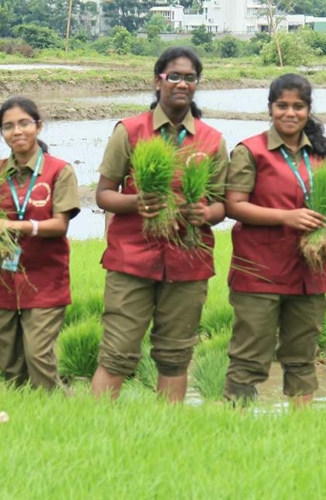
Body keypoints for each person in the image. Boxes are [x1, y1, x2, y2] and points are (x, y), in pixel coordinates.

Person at [90, 47, 229, 403]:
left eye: (190, 77)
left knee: (175, 355)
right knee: (117, 352)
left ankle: (166, 433)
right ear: (158, 81)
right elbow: (104, 194)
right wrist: (136, 202)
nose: (182, 83)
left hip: (188, 262)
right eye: (174, 76)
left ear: (197, 84)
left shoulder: (211, 140)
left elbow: (223, 203)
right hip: (131, 258)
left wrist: (206, 214)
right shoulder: (130, 131)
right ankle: (92, 428)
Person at [222, 74, 326, 407]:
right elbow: (234, 206)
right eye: (282, 106)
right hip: (260, 272)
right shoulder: (251, 151)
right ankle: (235, 424)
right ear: (270, 108)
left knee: (302, 356)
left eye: (298, 107)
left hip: (308, 275)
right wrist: (287, 217)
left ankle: (299, 433)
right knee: (249, 355)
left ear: (308, 110)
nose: (290, 113)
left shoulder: (321, 155)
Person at [0, 97, 79, 391]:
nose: (17, 131)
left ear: (38, 125)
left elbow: (60, 224)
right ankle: (24, 422)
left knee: (38, 357)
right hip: (0, 279)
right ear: (2, 133)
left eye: (24, 123)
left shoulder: (59, 171)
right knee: (9, 366)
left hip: (44, 280)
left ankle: (60, 415)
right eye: (8, 126)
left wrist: (18, 225)